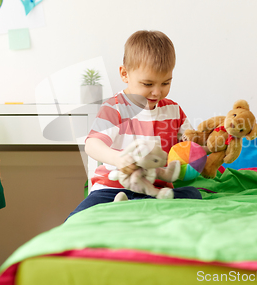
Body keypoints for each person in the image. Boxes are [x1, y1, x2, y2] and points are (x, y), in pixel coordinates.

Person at [66, 30, 202, 218]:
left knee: (193, 194)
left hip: (156, 188)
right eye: (147, 84)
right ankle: (132, 204)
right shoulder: (115, 108)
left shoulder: (173, 111)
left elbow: (190, 143)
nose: (157, 92)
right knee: (78, 216)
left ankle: (138, 204)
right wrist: (118, 159)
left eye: (165, 83)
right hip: (113, 188)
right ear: (124, 74)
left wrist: (204, 144)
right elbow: (92, 144)